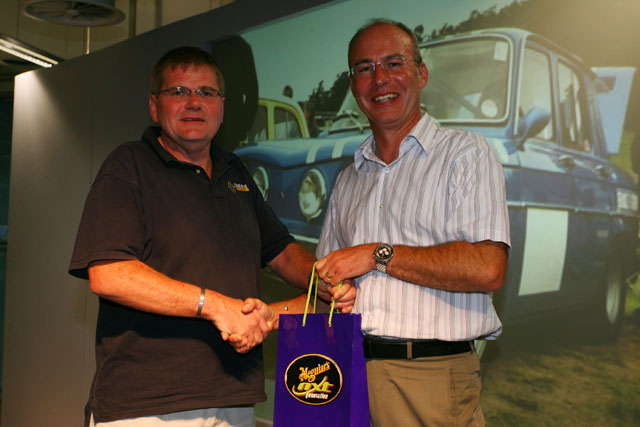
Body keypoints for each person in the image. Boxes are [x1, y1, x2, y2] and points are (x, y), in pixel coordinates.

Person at [69, 46, 353, 427]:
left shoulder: (235, 171)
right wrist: (217, 306)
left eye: (206, 92)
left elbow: (281, 250)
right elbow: (109, 273)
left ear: (221, 106)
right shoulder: (128, 166)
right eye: (178, 92)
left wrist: (325, 280)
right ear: (154, 106)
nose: (193, 103)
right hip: (147, 405)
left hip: (234, 400)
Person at [315, 19, 510, 426]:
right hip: (345, 373)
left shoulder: (465, 154)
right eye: (364, 68)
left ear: (421, 73)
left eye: (393, 63)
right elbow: (326, 289)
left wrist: (377, 254)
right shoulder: (348, 179)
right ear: (353, 85)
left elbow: (487, 268)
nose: (379, 79)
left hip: (428, 378)